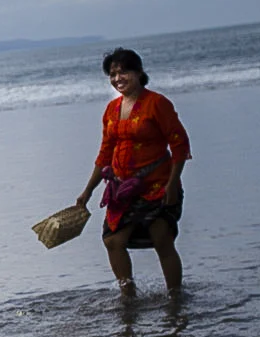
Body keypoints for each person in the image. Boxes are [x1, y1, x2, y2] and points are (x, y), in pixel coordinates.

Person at [76, 48, 192, 298]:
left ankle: (175, 296)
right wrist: (88, 191)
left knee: (162, 239)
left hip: (158, 186)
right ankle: (128, 295)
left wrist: (172, 184)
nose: (118, 78)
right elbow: (105, 154)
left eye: (124, 72)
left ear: (139, 72)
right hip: (123, 190)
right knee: (113, 241)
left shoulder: (157, 103)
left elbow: (180, 145)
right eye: (113, 74)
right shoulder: (111, 110)